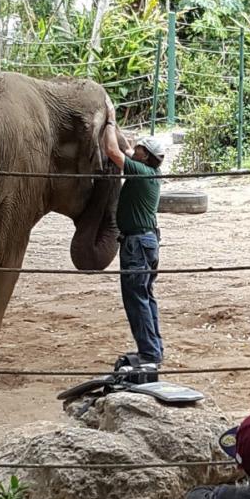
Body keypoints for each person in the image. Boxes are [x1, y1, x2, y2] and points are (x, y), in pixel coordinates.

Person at [103, 104, 164, 366]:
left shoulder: (139, 172)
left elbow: (113, 152)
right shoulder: (149, 172)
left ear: (146, 156)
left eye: (140, 148)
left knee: (136, 298)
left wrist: (107, 125)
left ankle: (148, 353)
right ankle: (154, 348)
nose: (135, 149)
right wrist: (114, 124)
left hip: (136, 245)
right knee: (146, 296)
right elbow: (126, 149)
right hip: (148, 242)